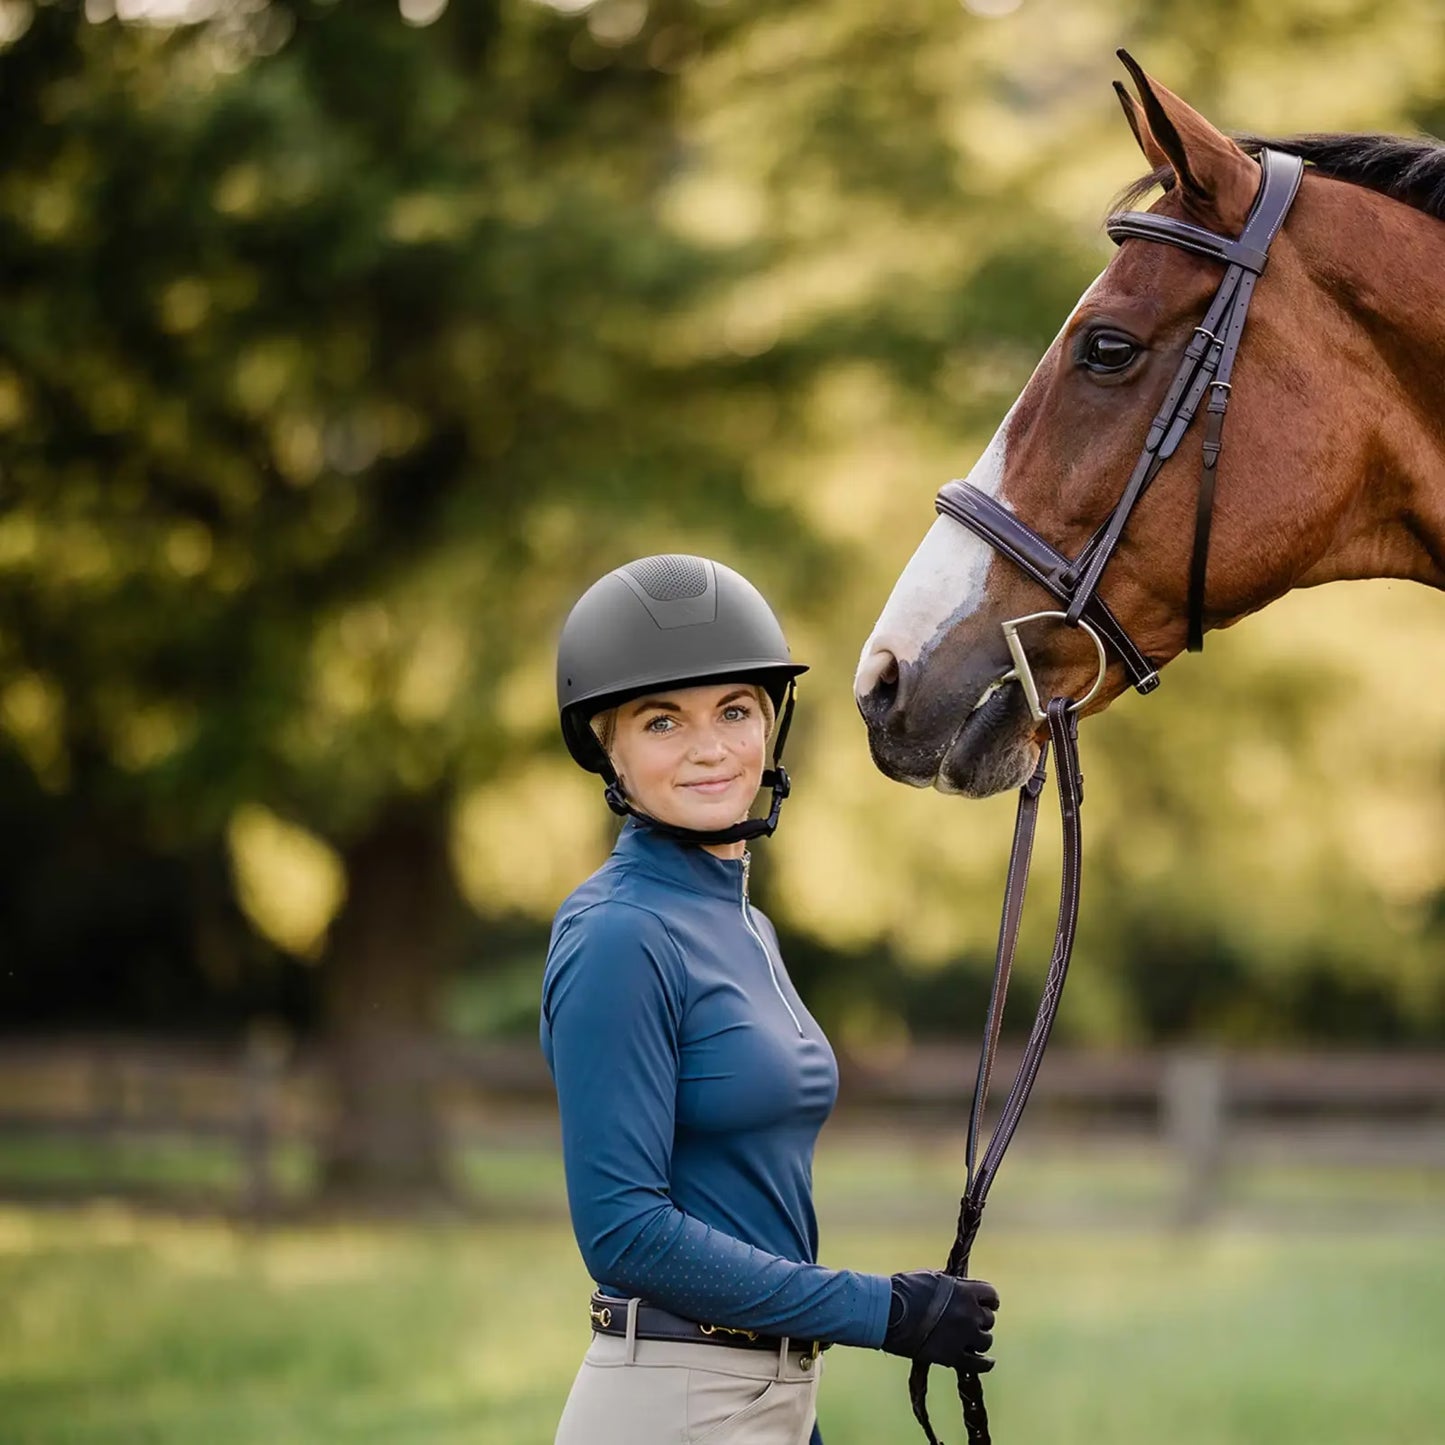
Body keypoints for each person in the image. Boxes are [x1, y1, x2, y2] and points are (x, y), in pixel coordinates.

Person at [542, 554, 999, 1445]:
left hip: (773, 1394)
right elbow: (624, 1232)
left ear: (770, 724)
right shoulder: (617, 932)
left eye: (735, 710)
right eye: (663, 719)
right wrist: (883, 1309)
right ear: (610, 746)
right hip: (674, 1403)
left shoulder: (745, 925)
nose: (710, 747)